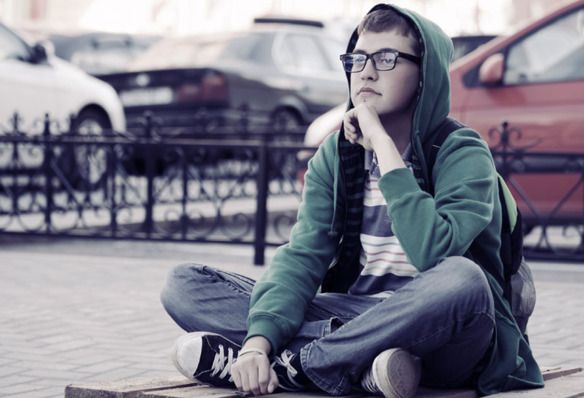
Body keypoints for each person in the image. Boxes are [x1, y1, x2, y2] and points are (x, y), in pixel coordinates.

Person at [160, 4, 544, 398]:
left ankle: (302, 363)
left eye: (386, 58)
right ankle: (352, 362)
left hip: (448, 331)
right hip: (358, 315)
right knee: (184, 284)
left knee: (464, 279)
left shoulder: (461, 151)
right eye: (358, 59)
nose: (367, 71)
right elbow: (303, 256)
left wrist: (382, 147)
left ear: (425, 75)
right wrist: (259, 340)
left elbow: (434, 252)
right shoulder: (337, 155)